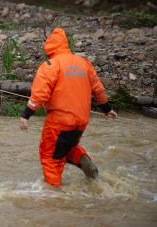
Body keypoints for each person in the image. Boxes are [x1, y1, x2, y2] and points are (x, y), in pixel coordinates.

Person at [18, 28, 117, 187]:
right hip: (81, 121)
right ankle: (81, 158)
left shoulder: (50, 65)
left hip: (59, 121)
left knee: (50, 157)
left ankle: (53, 194)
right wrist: (107, 109)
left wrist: (26, 115)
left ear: (49, 48)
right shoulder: (84, 63)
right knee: (65, 146)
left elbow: (39, 95)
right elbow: (98, 89)